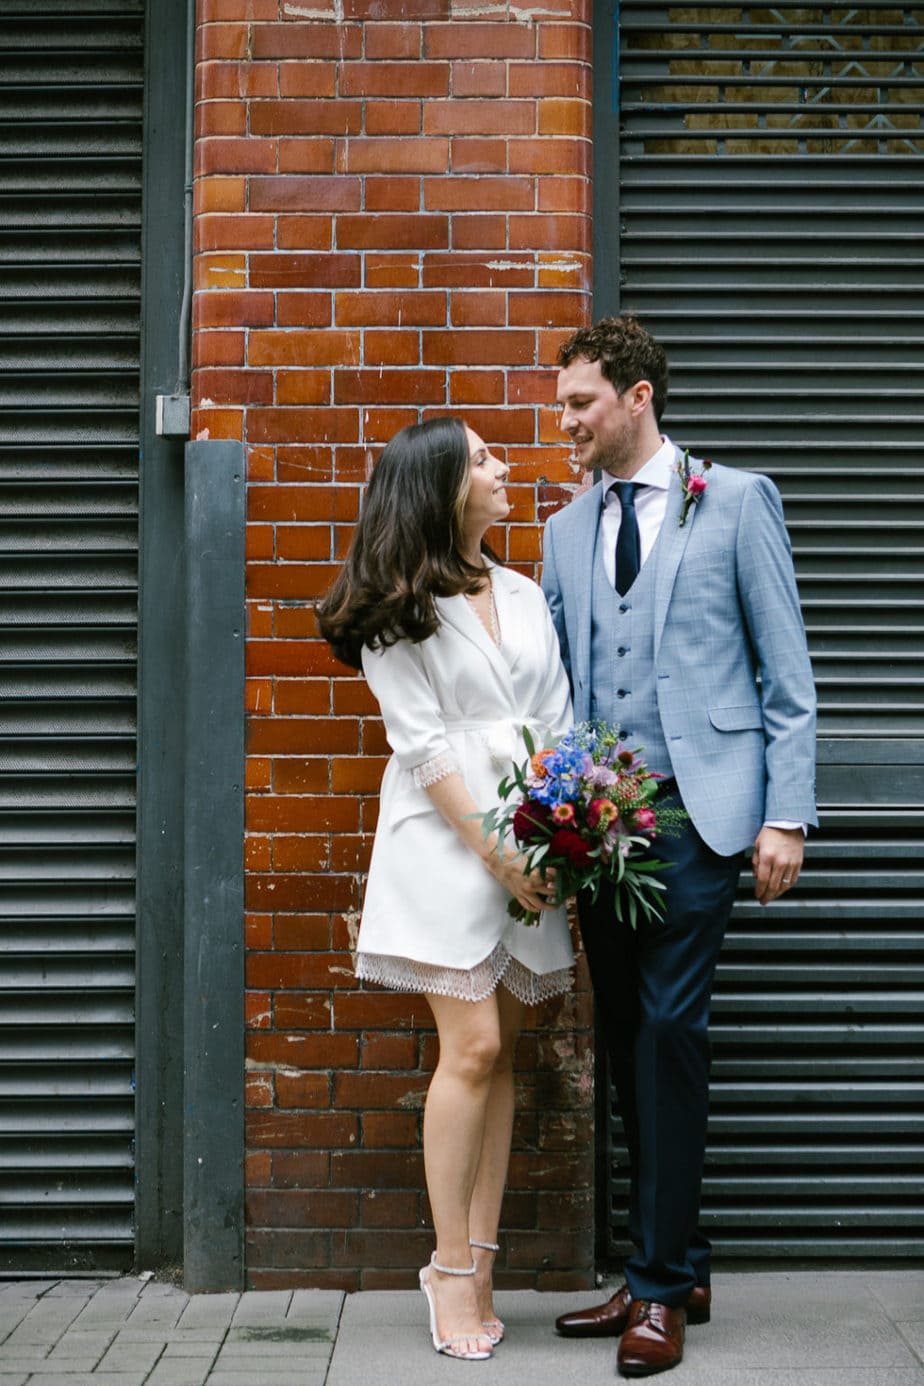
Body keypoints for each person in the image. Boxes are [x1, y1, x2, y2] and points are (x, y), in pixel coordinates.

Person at [542, 317, 817, 1377]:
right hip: (601, 830)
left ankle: (655, 1293)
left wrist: (785, 817)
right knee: (626, 1044)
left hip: (704, 819)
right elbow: (567, 684)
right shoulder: (566, 528)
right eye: (564, 402)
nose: (565, 421)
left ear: (639, 396)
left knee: (668, 1032)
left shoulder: (736, 501)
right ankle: (678, 1260)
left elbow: (785, 674)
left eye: (581, 403)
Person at [317, 416, 574, 1363]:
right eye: (482, 461)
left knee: (504, 1047)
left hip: (532, 837)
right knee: (467, 1046)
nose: (503, 469)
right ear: (439, 489)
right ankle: (450, 1269)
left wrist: (563, 836)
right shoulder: (396, 604)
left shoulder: (524, 591)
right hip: (447, 843)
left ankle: (484, 1260)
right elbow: (423, 747)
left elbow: (556, 721)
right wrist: (497, 852)